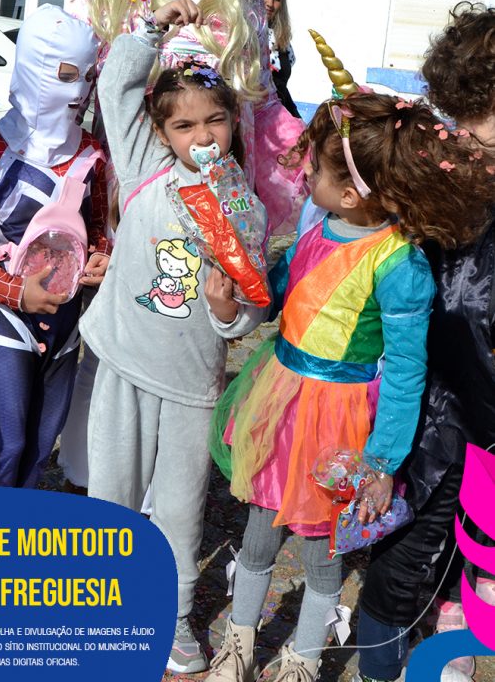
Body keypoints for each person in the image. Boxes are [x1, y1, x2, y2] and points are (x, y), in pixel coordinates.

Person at [207, 86, 494, 682]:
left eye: (313, 169)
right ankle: (239, 645)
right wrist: (237, 289)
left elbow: (407, 373)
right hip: (279, 404)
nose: (304, 176)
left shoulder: (399, 264)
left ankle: (304, 658)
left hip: (335, 424)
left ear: (350, 191)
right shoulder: (319, 229)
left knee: (322, 552)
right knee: (258, 535)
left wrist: (382, 461)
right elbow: (279, 294)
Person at [59, 0, 306, 494]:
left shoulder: (242, 4)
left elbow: (258, 110)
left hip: (205, 201)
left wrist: (321, 145)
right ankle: (101, 483)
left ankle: (168, 491)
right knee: (118, 329)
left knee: (187, 315)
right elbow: (76, 98)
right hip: (124, 193)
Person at [81, 0, 270, 675]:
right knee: (112, 494)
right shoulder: (145, 171)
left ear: (233, 122)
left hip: (192, 381)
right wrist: (149, 30)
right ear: (160, 133)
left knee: (182, 510)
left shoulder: (244, 205)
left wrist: (227, 314)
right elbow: (115, 86)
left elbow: (251, 308)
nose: (201, 135)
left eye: (214, 119)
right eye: (184, 125)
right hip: (125, 362)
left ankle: (173, 612)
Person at [354, 2, 495, 682]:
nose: (469, 142)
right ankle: (381, 663)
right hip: (436, 417)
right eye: (464, 123)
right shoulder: (448, 180)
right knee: (405, 557)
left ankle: (451, 653)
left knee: (479, 571)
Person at [0, 4, 111, 489]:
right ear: (34, 70)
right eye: (65, 76)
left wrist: (101, 256)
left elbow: (99, 225)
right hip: (5, 317)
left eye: (87, 77)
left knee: (42, 445)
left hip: (67, 320)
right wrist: (13, 290)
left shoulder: (91, 153)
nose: (78, 91)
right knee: (4, 445)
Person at [254, 0, 300, 118]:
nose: (270, 4)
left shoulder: (281, 38)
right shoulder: (240, 35)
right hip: (253, 116)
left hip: (283, 113)